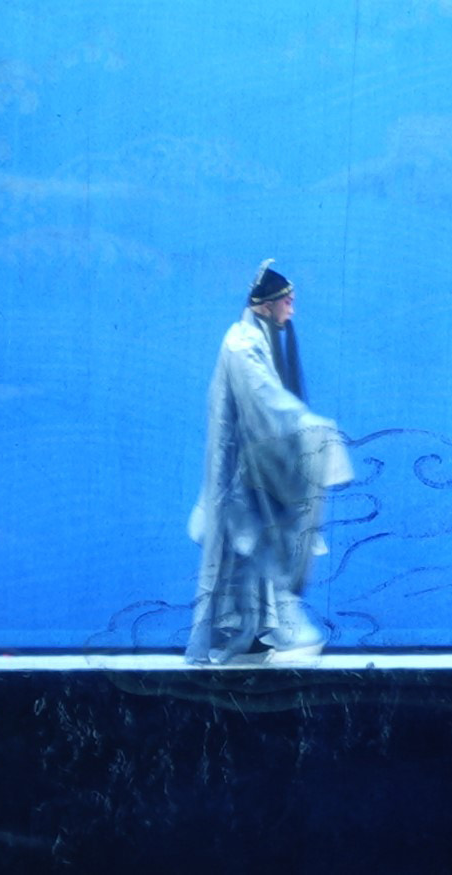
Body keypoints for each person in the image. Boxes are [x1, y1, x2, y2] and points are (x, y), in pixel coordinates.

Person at [183, 259, 356, 664]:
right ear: (267, 304)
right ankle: (263, 629)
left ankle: (250, 634)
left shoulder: (257, 339)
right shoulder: (241, 344)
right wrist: (309, 427)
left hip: (257, 464)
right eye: (288, 302)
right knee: (255, 544)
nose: (292, 309)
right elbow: (264, 399)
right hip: (242, 471)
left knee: (254, 549)